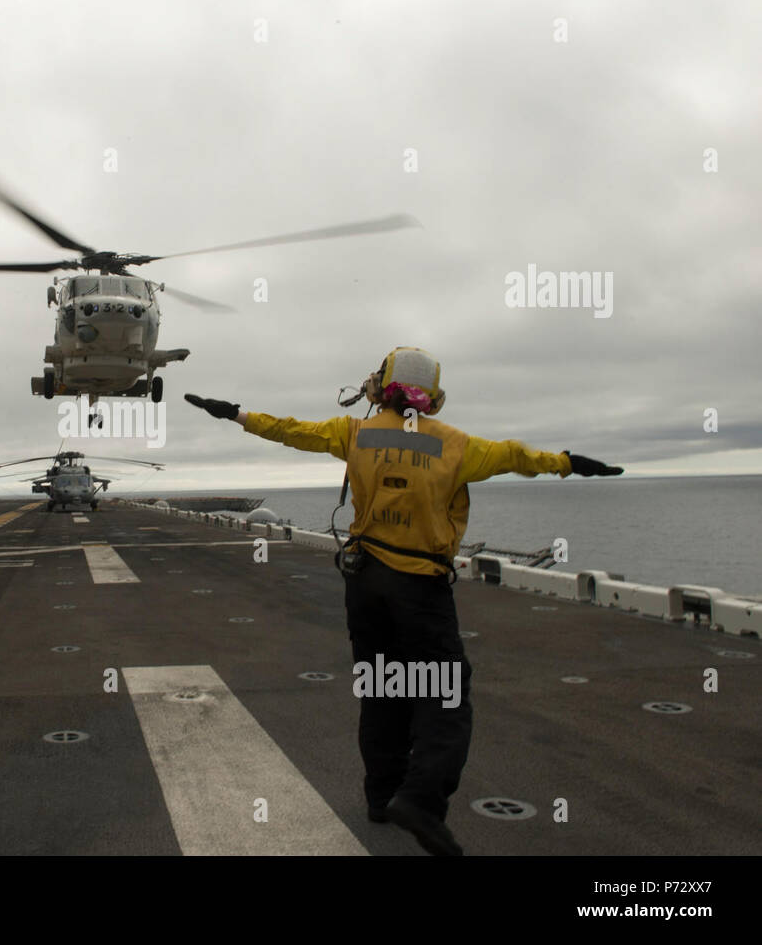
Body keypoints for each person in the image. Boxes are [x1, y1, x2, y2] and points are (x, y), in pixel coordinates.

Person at [186, 346, 623, 856]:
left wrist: (234, 412)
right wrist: (571, 463)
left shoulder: (354, 433)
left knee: (382, 687)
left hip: (365, 581)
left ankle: (381, 797)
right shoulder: (456, 445)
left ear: (381, 386)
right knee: (446, 695)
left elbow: (288, 429)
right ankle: (419, 798)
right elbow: (517, 456)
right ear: (433, 396)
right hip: (419, 586)